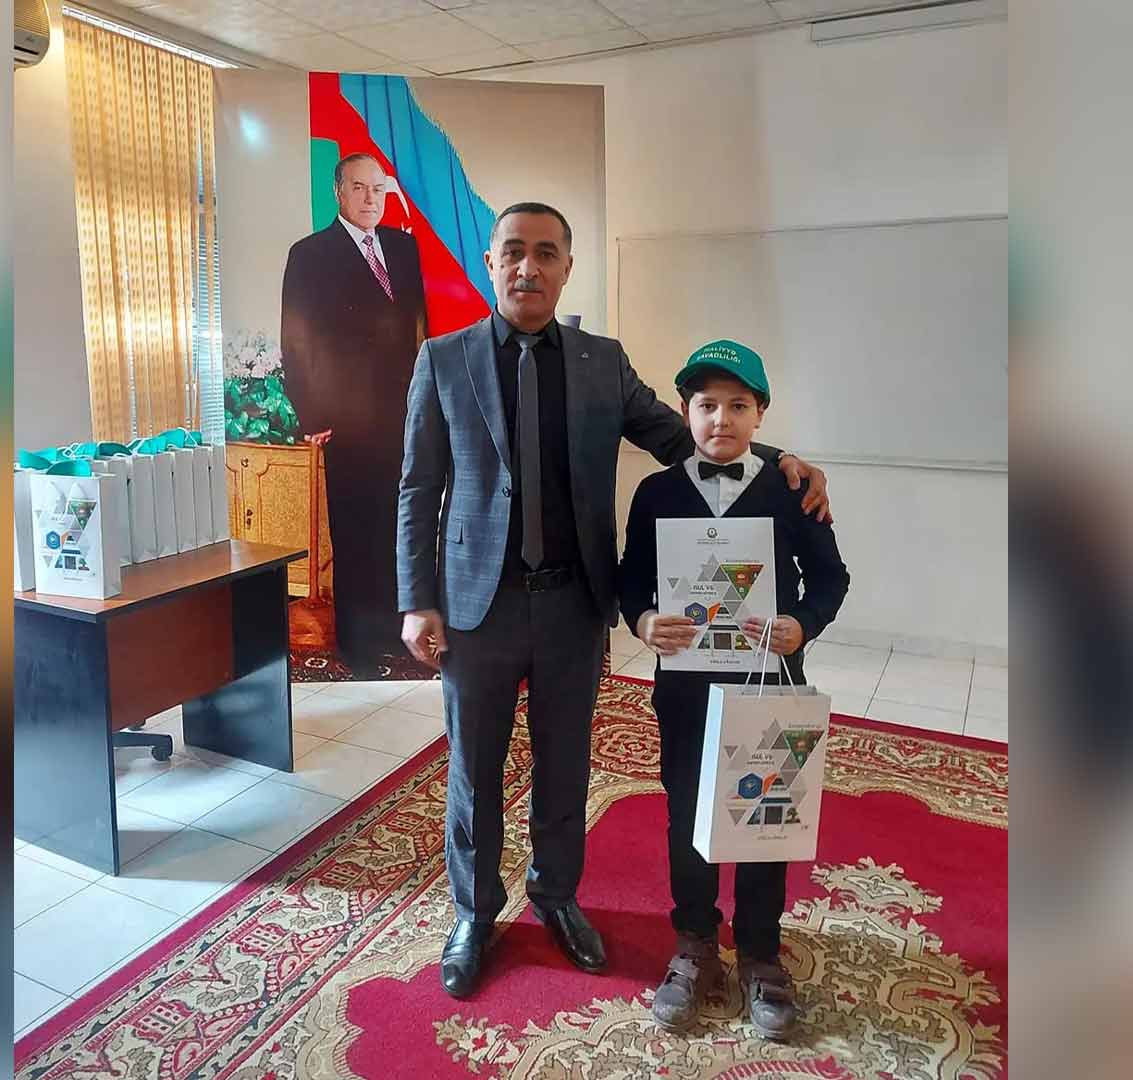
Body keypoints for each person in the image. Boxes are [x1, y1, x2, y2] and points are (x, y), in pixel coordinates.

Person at [395, 203, 833, 999]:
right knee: (475, 772)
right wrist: (415, 600)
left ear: (567, 268)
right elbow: (418, 488)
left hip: (573, 606)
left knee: (565, 765)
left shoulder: (603, 363)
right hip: (474, 609)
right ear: (490, 262)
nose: (528, 267)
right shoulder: (443, 358)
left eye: (546, 254)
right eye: (513, 252)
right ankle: (474, 913)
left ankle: (556, 897)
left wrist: (782, 461)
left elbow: (684, 436)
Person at [617, 339, 850, 1039]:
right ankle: (694, 944)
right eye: (706, 405)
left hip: (767, 683)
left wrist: (801, 624)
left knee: (763, 818)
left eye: (738, 406)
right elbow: (632, 580)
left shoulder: (791, 491)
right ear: (685, 411)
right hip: (686, 691)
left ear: (761, 414)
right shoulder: (656, 493)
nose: (721, 418)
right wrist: (644, 620)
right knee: (688, 814)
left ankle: (759, 952)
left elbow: (830, 578)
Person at [280, 153, 428, 674]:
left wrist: (428, 401)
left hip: (405, 414)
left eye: (378, 189)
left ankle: (396, 627)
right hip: (347, 418)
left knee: (400, 525)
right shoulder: (310, 254)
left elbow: (419, 331)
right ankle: (358, 642)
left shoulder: (404, 248)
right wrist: (313, 413)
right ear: (339, 192)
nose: (370, 198)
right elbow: (296, 339)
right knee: (356, 527)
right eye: (360, 188)